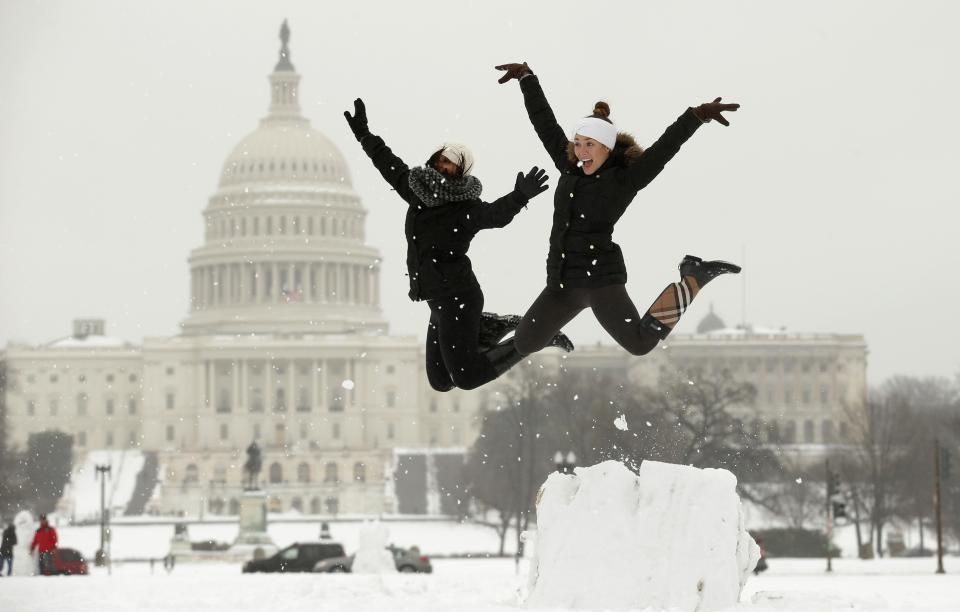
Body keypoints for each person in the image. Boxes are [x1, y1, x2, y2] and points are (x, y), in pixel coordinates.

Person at [495, 62, 741, 356]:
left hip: (601, 281)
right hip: (561, 282)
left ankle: (692, 279)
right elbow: (544, 123)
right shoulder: (570, 167)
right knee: (525, 343)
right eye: (578, 144)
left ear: (607, 148)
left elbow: (665, 147)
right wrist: (527, 78)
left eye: (590, 144)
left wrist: (697, 116)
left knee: (639, 344)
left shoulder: (626, 179)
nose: (582, 151)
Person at [344, 98, 570, 391]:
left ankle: (535, 336)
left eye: (451, 163)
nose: (443, 166)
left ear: (460, 171)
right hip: (437, 301)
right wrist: (364, 133)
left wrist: (519, 197)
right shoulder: (417, 191)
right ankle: (491, 326)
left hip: (458, 298)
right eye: (441, 159)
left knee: (467, 377)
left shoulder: (464, 207)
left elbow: (494, 216)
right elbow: (387, 163)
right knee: (440, 382)